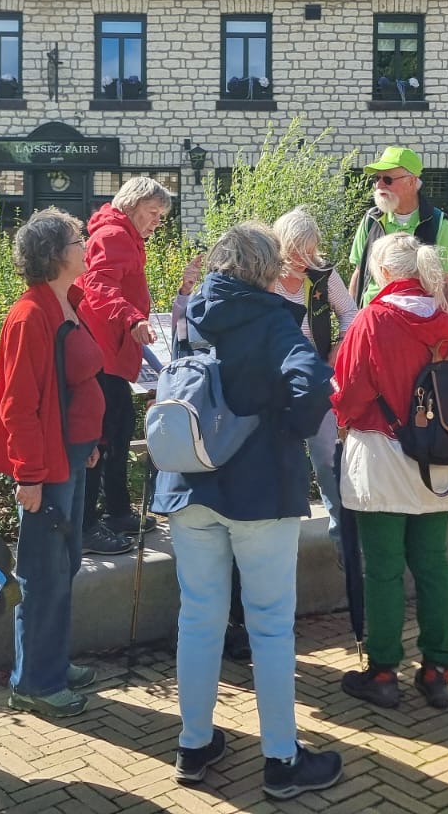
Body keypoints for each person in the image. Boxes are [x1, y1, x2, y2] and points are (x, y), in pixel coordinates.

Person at [150, 223, 343, 800]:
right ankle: (281, 759)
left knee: (198, 618)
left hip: (190, 481)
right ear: (268, 269)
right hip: (261, 489)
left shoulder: (192, 312)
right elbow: (313, 385)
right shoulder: (274, 320)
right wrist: (286, 429)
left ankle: (193, 744)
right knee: (270, 625)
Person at [333, 232, 448, 712]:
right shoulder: (447, 323)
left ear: (385, 272)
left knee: (384, 570)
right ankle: (438, 670)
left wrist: (341, 418)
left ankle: (383, 672)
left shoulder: (373, 319)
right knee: (433, 564)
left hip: (381, 455)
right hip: (438, 458)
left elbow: (350, 391)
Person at [0, 209, 103, 720]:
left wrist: (89, 442)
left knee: (64, 564)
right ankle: (33, 682)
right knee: (43, 572)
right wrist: (28, 476)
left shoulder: (69, 301)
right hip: (45, 465)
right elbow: (18, 404)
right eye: (77, 240)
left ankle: (51, 663)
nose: (85, 245)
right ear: (54, 255)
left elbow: (74, 383)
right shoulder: (30, 315)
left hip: (71, 454)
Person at [79, 176, 175, 555]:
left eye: (160, 216)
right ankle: (89, 524)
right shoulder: (114, 236)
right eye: (153, 212)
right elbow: (98, 286)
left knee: (117, 433)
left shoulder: (122, 235)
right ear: (132, 205)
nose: (157, 222)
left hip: (113, 352)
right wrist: (132, 317)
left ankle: (116, 511)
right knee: (104, 437)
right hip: (104, 353)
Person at [272, 205, 359, 546]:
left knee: (327, 461)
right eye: (297, 251)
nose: (305, 259)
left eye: (310, 251)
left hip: (318, 379)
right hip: (277, 384)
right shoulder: (265, 277)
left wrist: (341, 342)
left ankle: (344, 543)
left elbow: (349, 311)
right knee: (282, 462)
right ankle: (280, 543)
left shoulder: (323, 274)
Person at [347, 147, 448, 315]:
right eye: (377, 178)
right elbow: (358, 273)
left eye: (388, 179)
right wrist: (350, 322)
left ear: (412, 181)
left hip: (418, 322)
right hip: (372, 320)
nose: (379, 185)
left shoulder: (439, 224)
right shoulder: (371, 220)